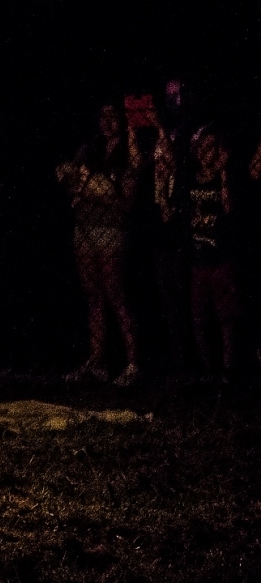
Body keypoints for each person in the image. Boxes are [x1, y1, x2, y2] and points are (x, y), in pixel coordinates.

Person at [57, 103, 142, 386]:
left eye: (112, 116)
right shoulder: (89, 149)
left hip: (110, 231)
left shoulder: (128, 154)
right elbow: (70, 180)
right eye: (102, 116)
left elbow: (125, 202)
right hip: (85, 228)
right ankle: (97, 361)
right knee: (93, 296)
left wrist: (92, 189)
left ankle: (132, 363)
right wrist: (85, 186)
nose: (106, 122)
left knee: (115, 294)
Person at [145, 81, 194, 377]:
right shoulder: (153, 135)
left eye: (178, 95)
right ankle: (177, 363)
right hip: (158, 223)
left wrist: (162, 131)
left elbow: (176, 166)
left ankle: (193, 365)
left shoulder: (188, 132)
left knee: (184, 296)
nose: (172, 101)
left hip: (181, 226)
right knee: (165, 298)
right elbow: (152, 168)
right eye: (168, 95)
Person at [186, 126, 238, 381]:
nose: (208, 152)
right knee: (198, 318)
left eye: (213, 146)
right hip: (198, 260)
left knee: (225, 318)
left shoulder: (223, 177)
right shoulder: (191, 178)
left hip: (220, 260)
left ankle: (227, 370)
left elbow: (228, 210)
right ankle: (207, 369)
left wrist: (223, 173)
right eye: (203, 147)